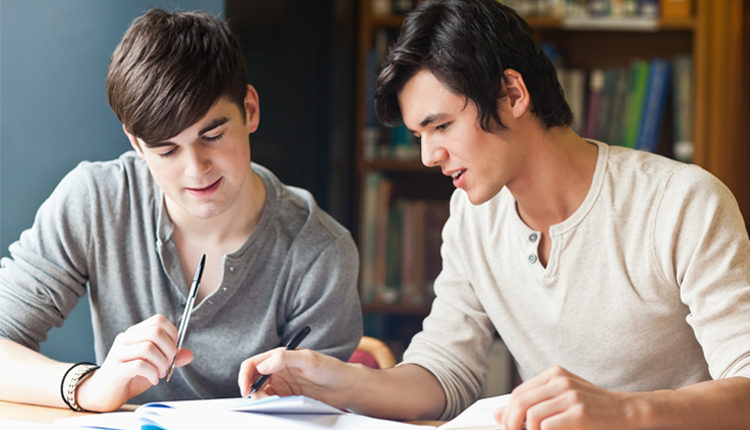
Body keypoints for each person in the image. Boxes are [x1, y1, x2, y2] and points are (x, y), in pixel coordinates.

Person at [238, 0, 750, 428]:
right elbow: (444, 374)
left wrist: (624, 412)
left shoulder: (683, 203)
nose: (428, 156)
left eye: (441, 127)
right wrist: (329, 380)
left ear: (512, 94)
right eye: (420, 136)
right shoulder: (472, 217)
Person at [0, 9, 362, 412]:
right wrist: (90, 386)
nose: (196, 169)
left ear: (250, 109)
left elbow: (323, 411)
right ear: (136, 144)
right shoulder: (97, 201)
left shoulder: (320, 251)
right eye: (166, 150)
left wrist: (295, 400)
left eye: (213, 135)